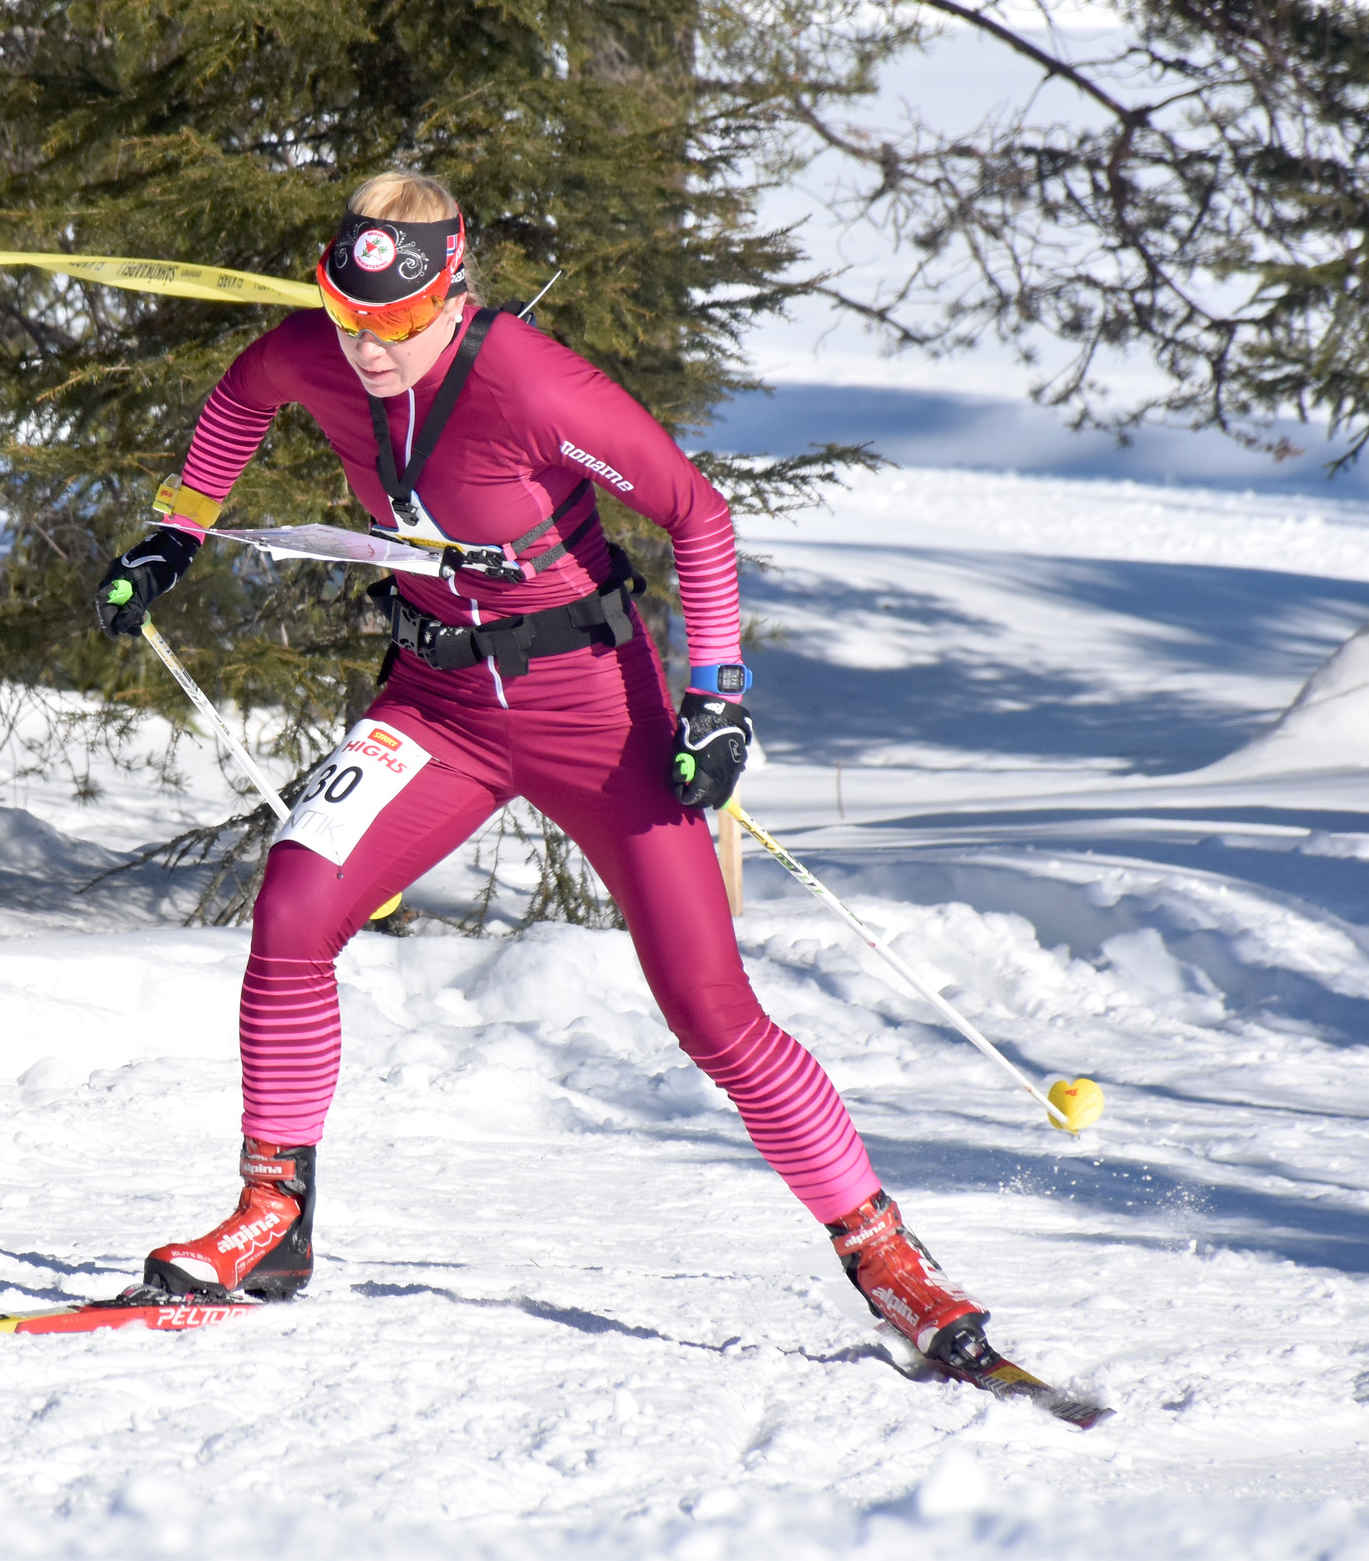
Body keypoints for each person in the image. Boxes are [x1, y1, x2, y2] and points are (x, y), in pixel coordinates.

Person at [92, 169, 994, 1368]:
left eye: (400, 320)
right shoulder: (319, 348)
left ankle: (886, 1256)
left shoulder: (526, 378)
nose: (369, 345)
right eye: (350, 312)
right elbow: (236, 401)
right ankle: (276, 1217)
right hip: (439, 704)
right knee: (293, 912)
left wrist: (716, 697)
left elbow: (698, 515)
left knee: (711, 1013)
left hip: (595, 712)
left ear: (451, 290)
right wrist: (176, 529)